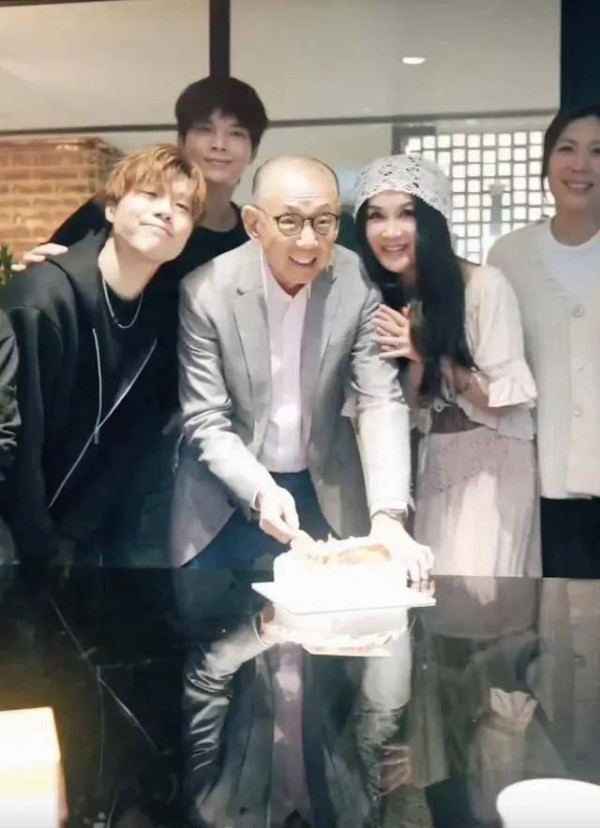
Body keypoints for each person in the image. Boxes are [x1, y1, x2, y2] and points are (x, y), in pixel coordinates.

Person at [16, 76, 269, 565]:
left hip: (193, 420)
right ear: (183, 139)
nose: (219, 144)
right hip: (102, 416)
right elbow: (61, 271)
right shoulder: (129, 212)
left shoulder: (249, 240)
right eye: (205, 129)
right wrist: (39, 275)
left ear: (252, 151)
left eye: (236, 133)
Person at [172, 155, 432, 580]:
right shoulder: (207, 291)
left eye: (324, 222)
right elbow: (206, 419)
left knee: (339, 619)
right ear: (254, 224)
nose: (309, 241)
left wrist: (389, 515)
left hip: (324, 490)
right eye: (289, 222)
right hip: (223, 499)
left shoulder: (354, 280)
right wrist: (261, 490)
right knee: (213, 617)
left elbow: (379, 399)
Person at [0, 144, 205, 565]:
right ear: (111, 209)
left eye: (182, 205)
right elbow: (16, 442)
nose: (166, 211)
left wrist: (74, 536)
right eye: (150, 194)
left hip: (79, 544)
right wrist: (37, 548)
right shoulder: (43, 300)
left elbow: (132, 440)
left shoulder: (162, 321)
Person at [354, 154, 539, 576]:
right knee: (427, 594)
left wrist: (431, 352)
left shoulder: (484, 286)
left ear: (433, 222)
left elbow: (507, 400)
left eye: (407, 214)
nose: (391, 231)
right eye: (377, 216)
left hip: (490, 466)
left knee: (476, 597)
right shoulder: (380, 295)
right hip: (429, 463)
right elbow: (399, 407)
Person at [488, 104, 600, 578]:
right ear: (547, 160)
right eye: (567, 149)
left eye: (598, 152)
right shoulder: (508, 256)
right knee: (553, 615)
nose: (581, 165)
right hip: (537, 481)